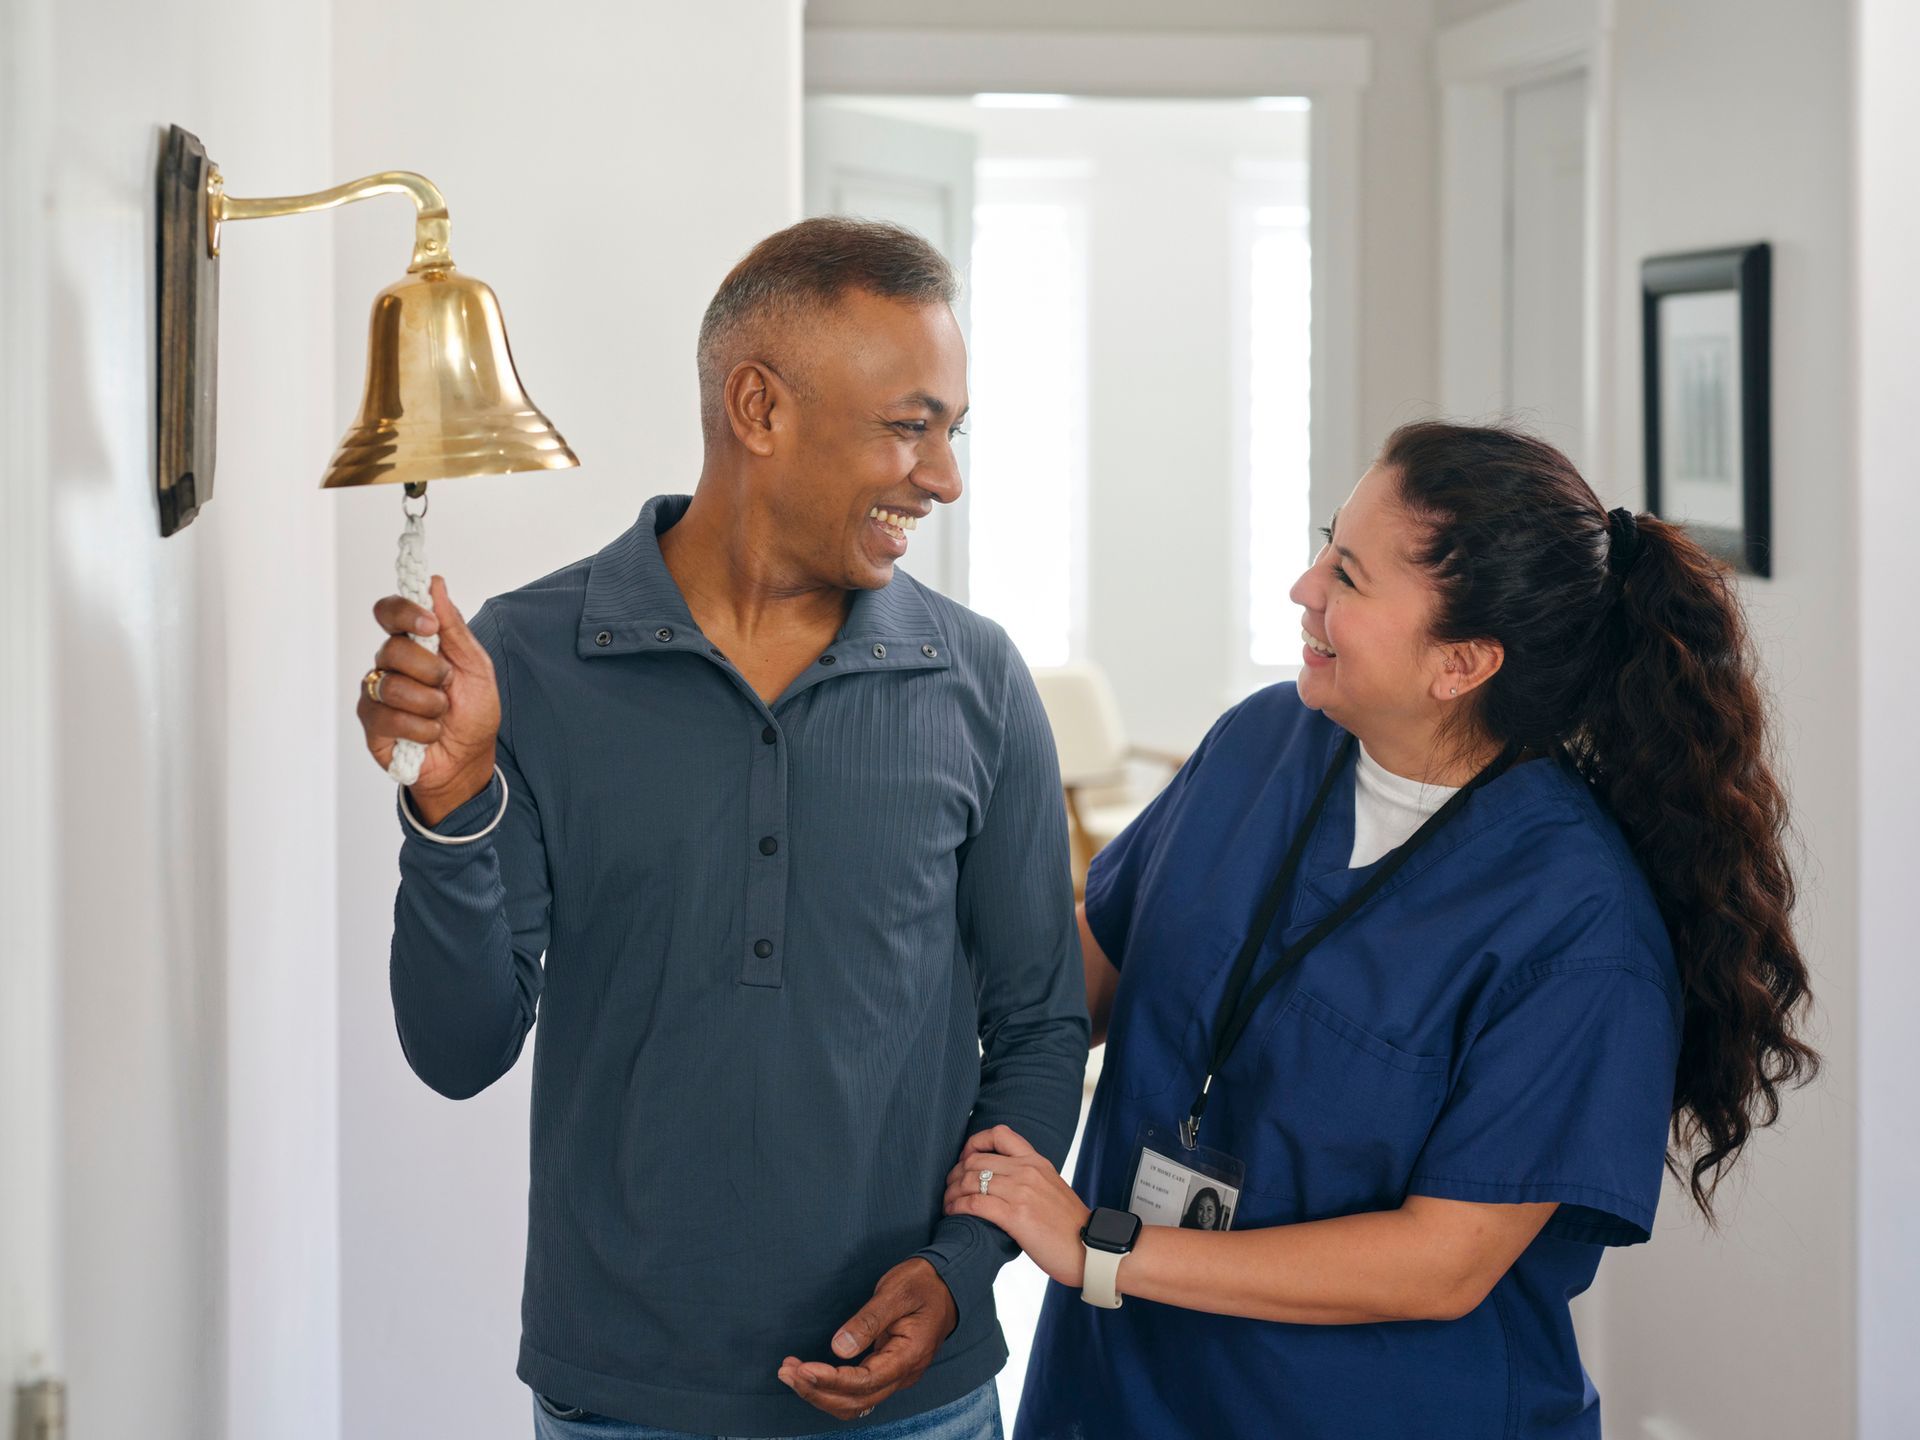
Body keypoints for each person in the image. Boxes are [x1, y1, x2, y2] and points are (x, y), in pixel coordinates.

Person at [355, 217, 1088, 1439]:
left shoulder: (979, 680)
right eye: (911, 426)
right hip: (622, 1400)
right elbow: (458, 1046)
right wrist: (449, 802)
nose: (945, 477)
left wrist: (963, 1272)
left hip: (921, 1406)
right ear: (759, 407)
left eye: (953, 430)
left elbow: (1039, 1028)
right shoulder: (531, 658)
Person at [944, 422, 1819, 1439]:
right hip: (1115, 1395)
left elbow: (1443, 1263)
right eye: (1327, 542)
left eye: (1349, 576)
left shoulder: (1581, 928)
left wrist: (1098, 1248)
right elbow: (1075, 986)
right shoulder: (1262, 742)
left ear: (1462, 663)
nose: (1303, 587)